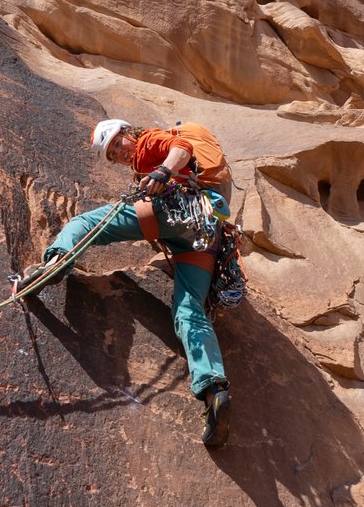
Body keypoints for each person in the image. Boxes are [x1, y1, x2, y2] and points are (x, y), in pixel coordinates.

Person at [22, 118, 234, 447]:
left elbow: (182, 148)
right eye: (112, 154)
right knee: (189, 309)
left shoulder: (148, 141)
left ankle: (57, 260)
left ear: (129, 132)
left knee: (86, 222)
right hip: (203, 233)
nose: (120, 153)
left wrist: (163, 172)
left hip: (175, 211)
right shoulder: (144, 164)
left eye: (119, 143)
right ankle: (214, 391)